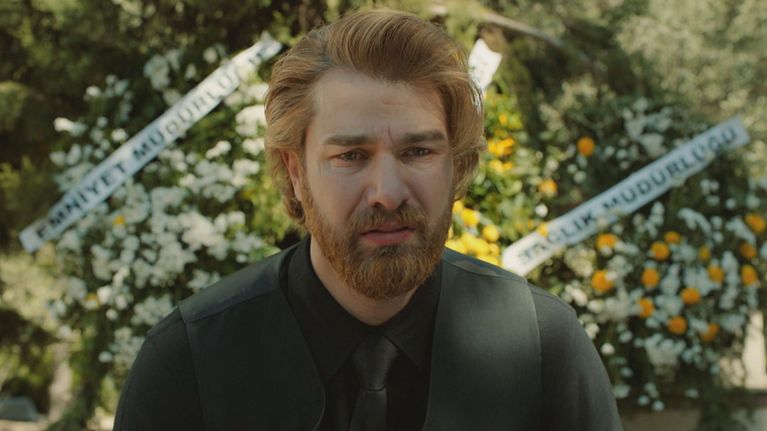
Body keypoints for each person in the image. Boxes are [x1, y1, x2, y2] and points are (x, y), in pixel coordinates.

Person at [114, 9, 623, 431]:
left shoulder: (543, 348)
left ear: (456, 163)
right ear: (295, 172)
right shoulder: (191, 362)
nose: (387, 193)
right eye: (351, 156)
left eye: (418, 151)